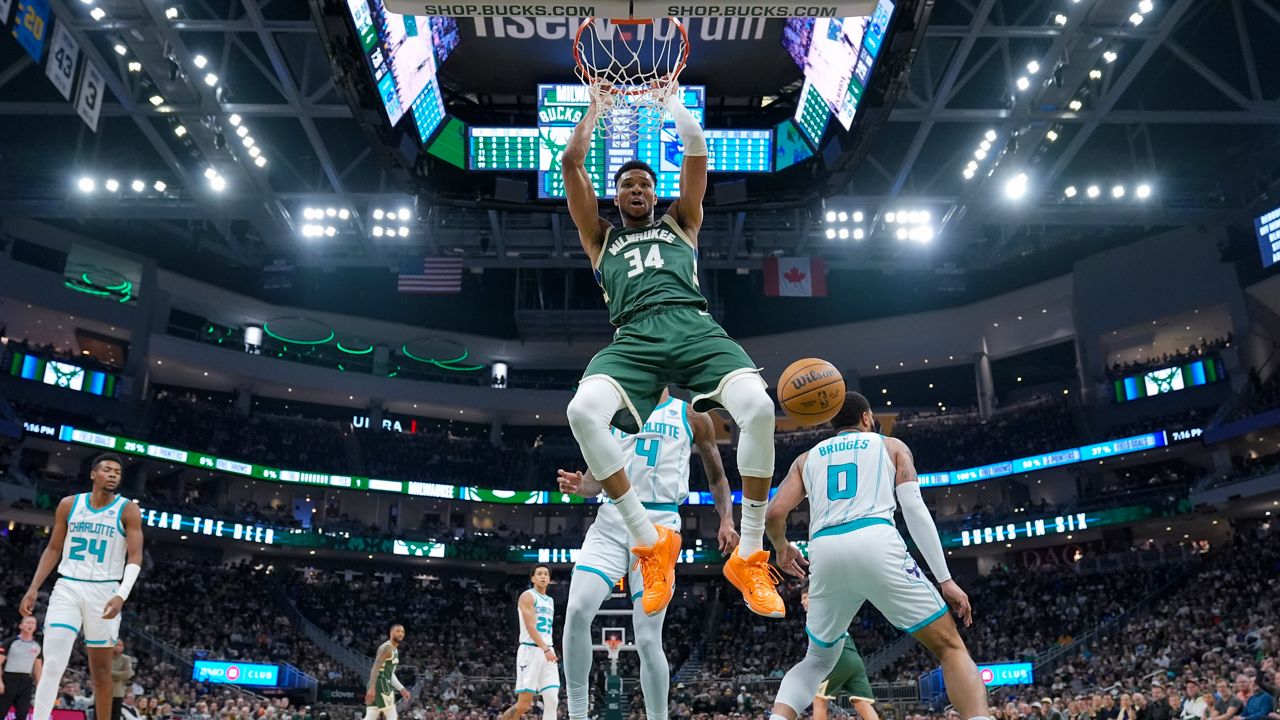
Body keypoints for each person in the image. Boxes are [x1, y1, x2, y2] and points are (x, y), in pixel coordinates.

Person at [560, 87, 783, 619]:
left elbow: (698, 155)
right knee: (581, 412)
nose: (637, 189)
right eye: (627, 185)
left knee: (759, 408)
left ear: (655, 195)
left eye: (644, 184)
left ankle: (750, 553)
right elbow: (571, 161)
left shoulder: (682, 223)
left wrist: (674, 104)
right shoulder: (600, 238)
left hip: (693, 327)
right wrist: (594, 108)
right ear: (616, 198)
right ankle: (648, 541)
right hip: (633, 339)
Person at [761, 392, 990, 720]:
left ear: (832, 422)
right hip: (875, 537)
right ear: (866, 418)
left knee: (816, 661)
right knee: (950, 647)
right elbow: (913, 508)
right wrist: (945, 579)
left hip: (824, 549)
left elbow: (773, 515)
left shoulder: (806, 458)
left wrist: (782, 549)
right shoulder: (891, 446)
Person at [556, 390, 739, 720]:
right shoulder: (613, 414)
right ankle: (577, 715)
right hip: (611, 520)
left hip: (659, 527)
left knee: (648, 637)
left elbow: (718, 477)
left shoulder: (693, 416)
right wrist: (580, 485)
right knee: (578, 610)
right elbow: (598, 480)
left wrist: (726, 518)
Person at [20, 452, 143, 720]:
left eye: (117, 472)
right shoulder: (68, 505)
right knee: (53, 663)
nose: (113, 474)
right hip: (68, 588)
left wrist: (122, 594)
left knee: (100, 671)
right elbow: (53, 549)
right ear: (93, 474)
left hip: (106, 590)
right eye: (107, 470)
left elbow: (135, 557)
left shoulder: (128, 509)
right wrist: (33, 587)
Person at [798, 589, 878, 720]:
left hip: (839, 657)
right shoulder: (830, 609)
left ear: (816, 598)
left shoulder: (816, 614)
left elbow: (818, 647)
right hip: (854, 659)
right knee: (861, 702)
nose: (802, 601)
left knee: (819, 699)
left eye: (805, 597)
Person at [502, 566, 558, 720]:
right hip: (531, 651)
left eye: (546, 574)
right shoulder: (527, 596)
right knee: (524, 705)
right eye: (539, 574)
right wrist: (546, 649)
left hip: (547, 651)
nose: (543, 576)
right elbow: (530, 626)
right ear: (533, 578)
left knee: (552, 700)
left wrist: (547, 650)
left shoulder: (550, 601)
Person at [0, 616, 44, 720]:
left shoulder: (37, 646)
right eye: (28, 622)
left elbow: (38, 669)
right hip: (8, 680)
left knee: (22, 715)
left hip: (26, 682)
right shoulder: (10, 642)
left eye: (33, 623)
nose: (30, 625)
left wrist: (40, 686)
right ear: (21, 626)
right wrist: (0, 682)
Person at [364, 624, 410, 720]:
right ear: (391, 633)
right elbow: (375, 668)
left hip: (379, 682)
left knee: (371, 714)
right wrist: (372, 687)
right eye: (397, 631)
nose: (400, 634)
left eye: (402, 632)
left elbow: (390, 674)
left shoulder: (395, 650)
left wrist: (402, 689)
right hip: (381, 682)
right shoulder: (386, 648)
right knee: (391, 713)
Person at [111, 640, 135, 720]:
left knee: (115, 717)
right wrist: (119, 675)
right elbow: (100, 673)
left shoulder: (126, 659)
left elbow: (128, 674)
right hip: (102, 692)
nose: (118, 647)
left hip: (117, 693)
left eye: (120, 645)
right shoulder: (105, 657)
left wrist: (110, 673)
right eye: (116, 645)